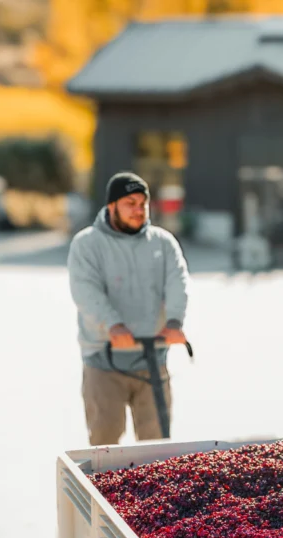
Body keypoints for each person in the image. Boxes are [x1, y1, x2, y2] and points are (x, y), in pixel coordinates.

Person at [67, 172, 190, 445]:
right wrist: (113, 325)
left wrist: (174, 322)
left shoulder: (163, 242)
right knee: (105, 443)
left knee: (157, 446)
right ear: (112, 206)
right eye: (130, 203)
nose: (138, 210)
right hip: (104, 357)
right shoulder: (87, 244)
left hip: (153, 357)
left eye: (142, 203)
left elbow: (178, 282)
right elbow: (85, 291)